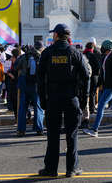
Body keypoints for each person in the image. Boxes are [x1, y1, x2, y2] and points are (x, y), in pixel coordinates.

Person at [38, 23, 89, 178]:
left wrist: (42, 100)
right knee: (72, 133)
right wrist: (84, 100)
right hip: (71, 97)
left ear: (56, 35)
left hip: (53, 97)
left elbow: (40, 79)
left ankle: (51, 169)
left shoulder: (47, 52)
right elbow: (86, 77)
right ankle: (72, 169)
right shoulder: (76, 52)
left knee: (52, 133)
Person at [12, 42, 44, 136]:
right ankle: (39, 129)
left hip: (24, 85)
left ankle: (21, 130)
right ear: (41, 49)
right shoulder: (42, 57)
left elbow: (15, 67)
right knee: (38, 108)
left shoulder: (25, 56)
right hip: (36, 86)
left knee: (22, 108)